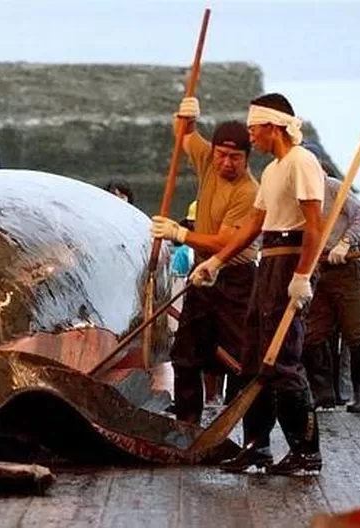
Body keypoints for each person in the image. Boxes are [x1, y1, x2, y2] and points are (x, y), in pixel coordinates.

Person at [192, 93, 324, 475]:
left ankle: (306, 451)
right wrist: (217, 260)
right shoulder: (272, 171)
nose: (252, 138)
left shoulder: (302, 161)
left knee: (282, 360)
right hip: (268, 263)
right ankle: (257, 446)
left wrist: (302, 276)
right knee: (252, 358)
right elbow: (254, 225)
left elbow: (315, 225)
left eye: (254, 130)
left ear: (273, 126)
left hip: (291, 263)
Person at [151, 98, 259, 426]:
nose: (226, 163)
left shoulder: (248, 191)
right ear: (213, 152)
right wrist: (187, 116)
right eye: (221, 155)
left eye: (235, 157)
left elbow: (227, 241)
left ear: (246, 157)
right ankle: (187, 422)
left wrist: (180, 234)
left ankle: (250, 425)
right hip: (202, 273)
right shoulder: (208, 162)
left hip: (234, 275)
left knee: (242, 356)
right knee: (185, 354)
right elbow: (184, 135)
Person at [296, 143, 360, 412]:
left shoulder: (332, 186)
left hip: (344, 268)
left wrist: (346, 242)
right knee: (314, 334)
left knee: (354, 331)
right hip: (316, 270)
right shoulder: (295, 194)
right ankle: (322, 392)